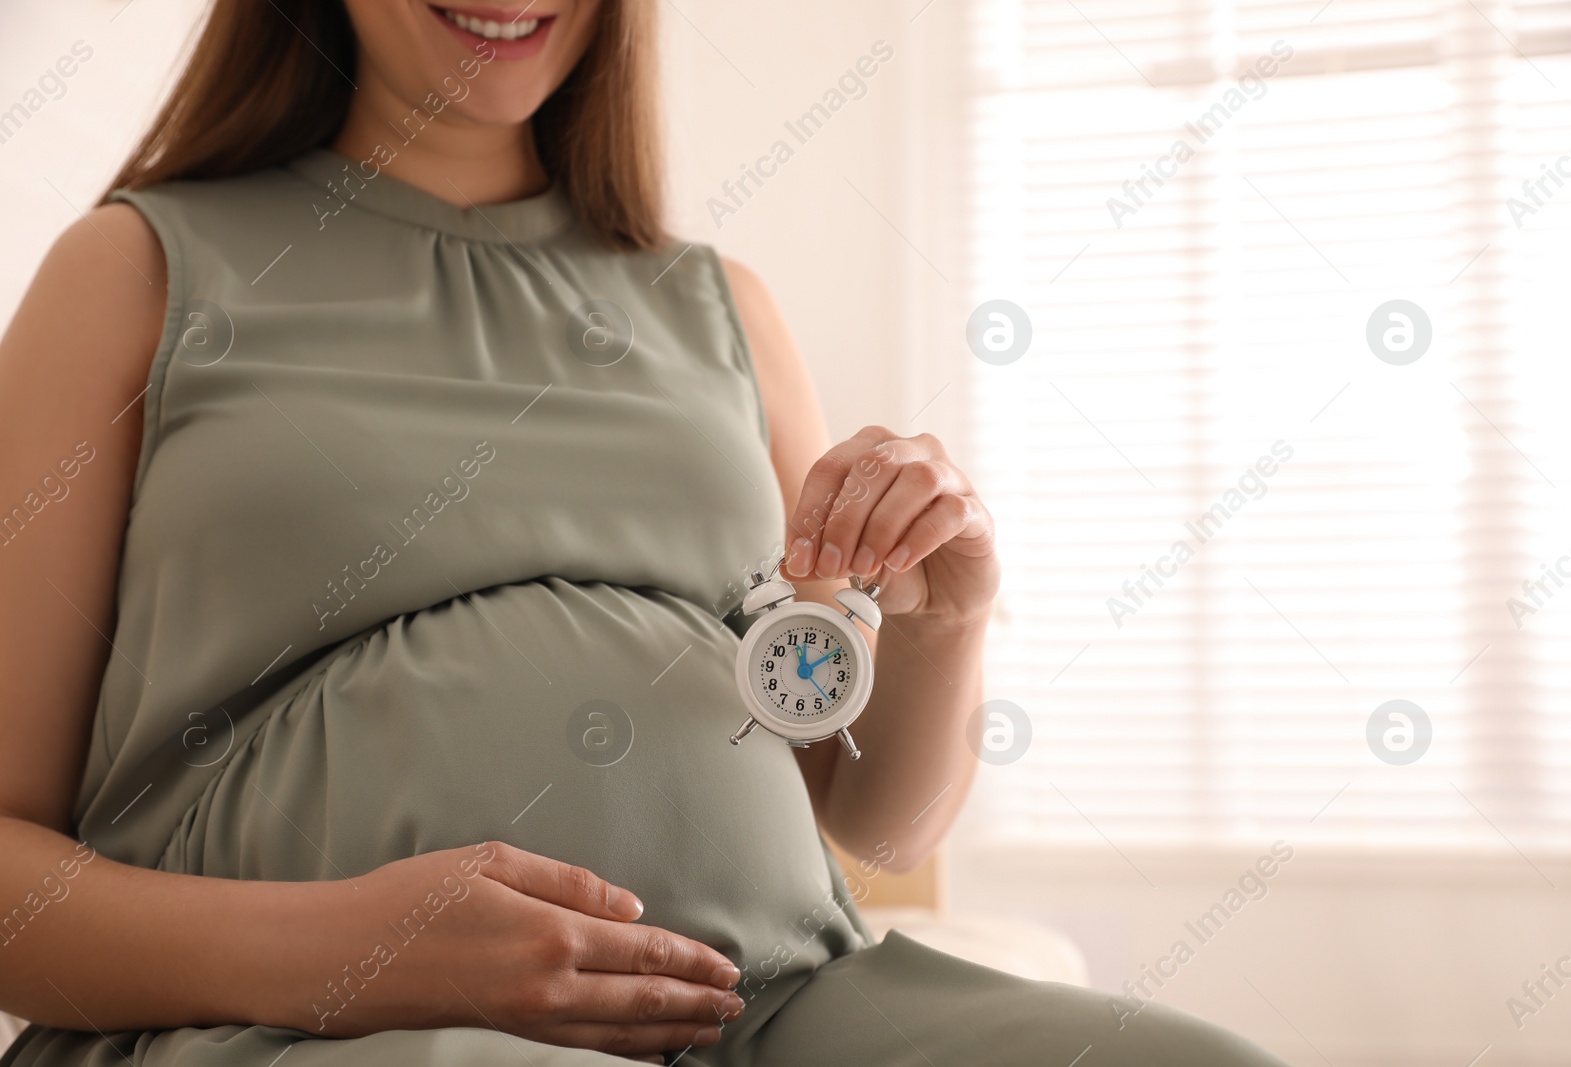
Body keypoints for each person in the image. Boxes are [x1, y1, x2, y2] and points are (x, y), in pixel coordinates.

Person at [0, 2, 1288, 1064]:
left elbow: (878, 827)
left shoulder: (724, 310)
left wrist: (947, 625)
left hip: (783, 1009)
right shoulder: (134, 276)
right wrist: (360, 957)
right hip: (313, 1032)